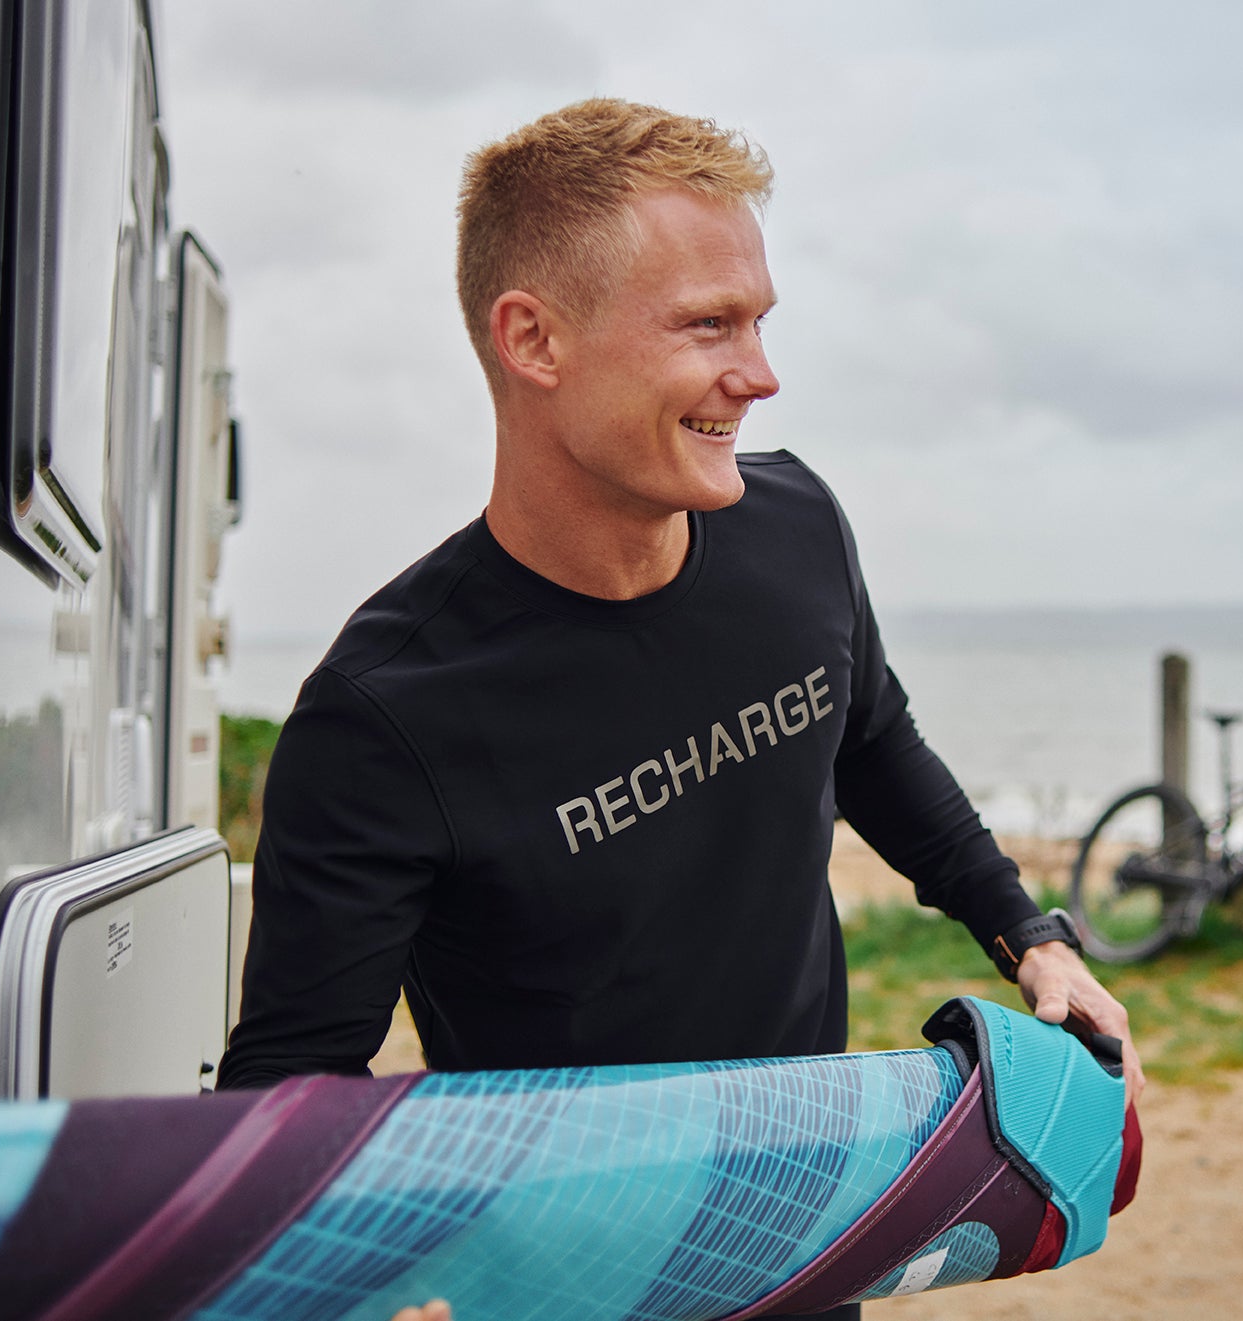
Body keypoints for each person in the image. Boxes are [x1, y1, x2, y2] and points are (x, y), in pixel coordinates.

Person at [217, 99, 1140, 1319]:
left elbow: (869, 740)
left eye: (759, 321)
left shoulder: (797, 528)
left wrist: (1029, 933)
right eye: (709, 325)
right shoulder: (386, 715)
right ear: (534, 340)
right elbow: (288, 1104)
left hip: (806, 1242)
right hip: (566, 1284)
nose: (760, 374)